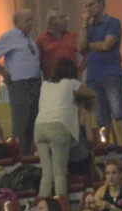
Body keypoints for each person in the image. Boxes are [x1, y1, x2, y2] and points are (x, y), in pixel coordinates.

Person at [34, 58, 94, 203]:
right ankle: (62, 208)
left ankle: (43, 207)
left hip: (39, 128)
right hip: (58, 127)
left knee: (47, 173)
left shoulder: (45, 85)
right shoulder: (71, 83)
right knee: (59, 172)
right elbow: (92, 94)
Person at [0, 9, 43, 153]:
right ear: (17, 22)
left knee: (34, 119)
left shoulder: (29, 39)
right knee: (21, 122)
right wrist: (3, 73)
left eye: (31, 20)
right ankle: (22, 155)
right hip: (20, 85)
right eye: (27, 20)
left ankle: (31, 152)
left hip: (34, 83)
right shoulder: (10, 36)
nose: (31, 23)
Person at [79, 0, 122, 145]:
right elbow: (80, 47)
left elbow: (107, 45)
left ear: (101, 4)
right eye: (86, 6)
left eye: (92, 5)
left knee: (118, 112)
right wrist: (84, 25)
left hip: (111, 73)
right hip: (93, 76)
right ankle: (107, 147)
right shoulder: (89, 27)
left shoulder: (113, 22)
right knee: (100, 117)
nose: (89, 9)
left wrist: (91, 45)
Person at [36, 8, 80, 81]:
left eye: (66, 17)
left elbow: (86, 53)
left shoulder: (73, 36)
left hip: (72, 80)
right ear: (51, 22)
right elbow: (37, 62)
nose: (66, 20)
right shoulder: (41, 40)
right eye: (62, 18)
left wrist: (80, 70)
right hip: (52, 82)